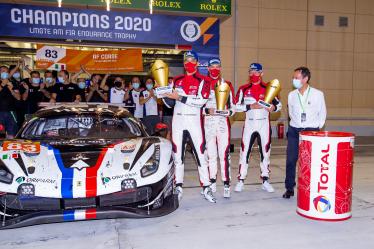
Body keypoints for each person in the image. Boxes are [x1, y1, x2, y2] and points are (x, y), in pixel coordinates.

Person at [163, 50, 216, 203]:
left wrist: (179, 97)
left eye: (192, 59)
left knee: (201, 155)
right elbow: (170, 104)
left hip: (194, 122)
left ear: (198, 62)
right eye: (186, 59)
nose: (189, 62)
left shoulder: (204, 80)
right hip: (178, 121)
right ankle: (178, 186)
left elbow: (201, 101)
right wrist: (164, 95)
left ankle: (206, 187)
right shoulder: (176, 79)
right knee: (177, 156)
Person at [234, 63, 282, 193]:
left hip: (264, 124)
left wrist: (273, 108)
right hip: (249, 124)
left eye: (256, 72)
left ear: (262, 73)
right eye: (251, 72)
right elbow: (235, 106)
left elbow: (279, 105)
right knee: (244, 152)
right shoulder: (243, 89)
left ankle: (265, 180)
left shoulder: (269, 88)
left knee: (265, 152)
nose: (253, 74)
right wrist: (250, 107)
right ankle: (241, 180)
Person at [283, 66, 327, 198]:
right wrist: (296, 124)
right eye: (293, 77)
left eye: (296, 78)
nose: (294, 80)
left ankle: (311, 187)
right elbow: (290, 112)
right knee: (291, 160)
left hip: (311, 132)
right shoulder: (291, 95)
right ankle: (289, 188)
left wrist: (316, 128)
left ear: (305, 78)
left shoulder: (318, 94)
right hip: (294, 131)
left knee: (310, 162)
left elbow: (322, 113)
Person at [203, 58, 236, 198]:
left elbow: (233, 108)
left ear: (220, 68)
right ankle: (211, 182)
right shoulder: (203, 83)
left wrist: (227, 112)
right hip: (208, 123)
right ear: (208, 68)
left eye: (217, 66)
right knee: (210, 155)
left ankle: (226, 183)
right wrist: (206, 111)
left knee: (224, 155)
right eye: (212, 66)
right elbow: (198, 106)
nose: (215, 69)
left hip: (223, 124)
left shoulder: (227, 84)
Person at [0, 65, 21, 138]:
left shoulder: (13, 83)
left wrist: (11, 89)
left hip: (11, 112)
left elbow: (18, 97)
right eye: (3, 71)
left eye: (6, 72)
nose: (5, 73)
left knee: (11, 135)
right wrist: (3, 84)